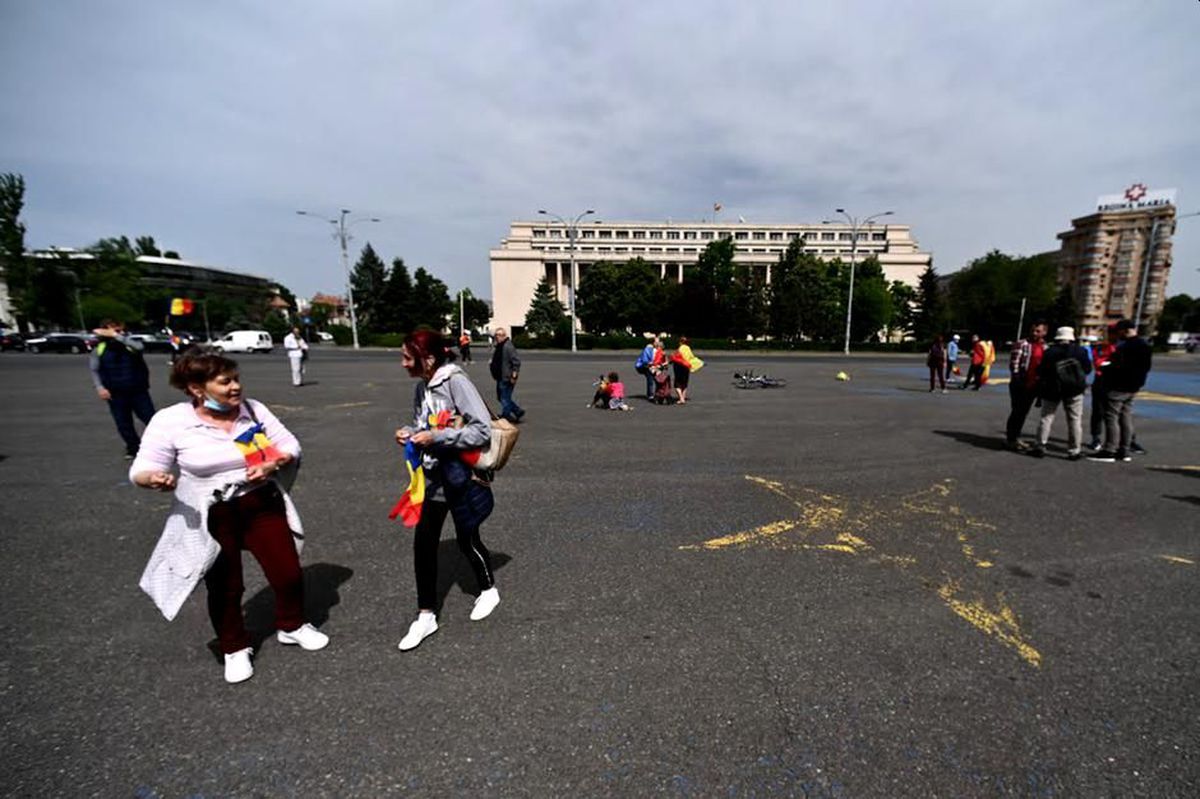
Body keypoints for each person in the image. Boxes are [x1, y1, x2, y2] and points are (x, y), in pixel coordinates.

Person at [129, 349, 328, 684]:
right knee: (225, 584)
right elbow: (142, 468)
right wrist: (153, 479)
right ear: (196, 388)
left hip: (259, 502)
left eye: (236, 379)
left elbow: (289, 445)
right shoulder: (171, 421)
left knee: (288, 571)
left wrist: (271, 462)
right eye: (225, 382)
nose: (236, 387)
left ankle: (292, 625)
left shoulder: (252, 410)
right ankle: (234, 646)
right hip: (210, 511)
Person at [395, 330, 500, 651]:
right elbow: (424, 424)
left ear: (427, 359)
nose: (402, 364)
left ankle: (488, 590)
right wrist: (411, 432)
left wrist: (436, 439)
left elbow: (481, 429)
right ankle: (426, 614)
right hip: (432, 478)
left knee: (467, 538)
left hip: (460, 477)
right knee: (423, 545)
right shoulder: (421, 387)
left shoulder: (455, 381)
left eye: (407, 357)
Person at [90, 318, 156, 459]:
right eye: (112, 329)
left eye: (118, 329)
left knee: (151, 419)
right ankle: (133, 448)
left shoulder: (129, 343)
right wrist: (100, 387)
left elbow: (140, 347)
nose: (116, 332)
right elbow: (94, 369)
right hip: (115, 392)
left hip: (137, 389)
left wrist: (117, 336)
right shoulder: (99, 348)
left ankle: (162, 446)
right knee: (123, 423)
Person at [1089, 319, 1153, 463]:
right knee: (1125, 417)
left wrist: (1107, 368)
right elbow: (1146, 367)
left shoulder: (1126, 347)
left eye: (1119, 332)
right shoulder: (1145, 345)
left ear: (1125, 330)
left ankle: (1109, 449)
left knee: (1111, 417)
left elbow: (1118, 366)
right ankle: (1124, 450)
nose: (1118, 335)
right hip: (1134, 386)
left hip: (1119, 386)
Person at [1031, 327, 1092, 460]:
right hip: (1074, 389)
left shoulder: (1050, 351)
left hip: (1052, 389)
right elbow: (1087, 369)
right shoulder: (1080, 351)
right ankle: (1074, 450)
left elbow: (1041, 371)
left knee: (1046, 417)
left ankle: (1040, 446)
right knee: (1075, 420)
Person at [1005, 321, 1048, 450]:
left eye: (1038, 331)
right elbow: (1014, 364)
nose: (1034, 333)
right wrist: (1018, 379)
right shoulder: (1022, 344)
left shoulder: (1045, 347)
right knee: (1017, 411)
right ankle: (1011, 439)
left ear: (1044, 332)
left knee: (1023, 412)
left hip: (1034, 384)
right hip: (1020, 383)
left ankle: (1015, 437)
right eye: (1033, 330)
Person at [489, 327, 523, 423]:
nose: (496, 337)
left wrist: (514, 376)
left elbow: (516, 362)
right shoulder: (500, 345)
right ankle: (517, 411)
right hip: (500, 376)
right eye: (496, 335)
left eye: (498, 335)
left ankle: (506, 416)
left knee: (504, 398)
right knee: (501, 397)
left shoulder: (508, 346)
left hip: (507, 377)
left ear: (504, 336)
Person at [670, 336, 704, 404]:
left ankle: (681, 398)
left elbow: (675, 358)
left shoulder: (679, 349)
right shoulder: (688, 348)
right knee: (684, 383)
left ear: (680, 342)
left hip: (679, 368)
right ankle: (683, 397)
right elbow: (692, 357)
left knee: (677, 384)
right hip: (686, 367)